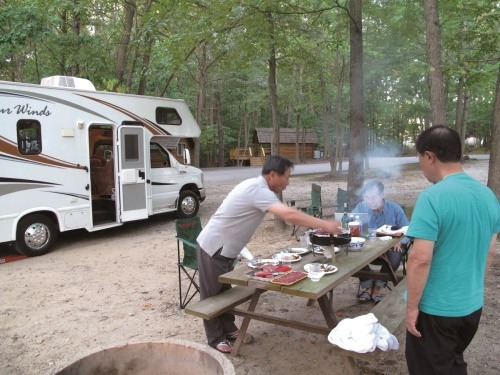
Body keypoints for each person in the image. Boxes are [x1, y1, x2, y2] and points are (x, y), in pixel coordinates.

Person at [196, 155, 342, 354]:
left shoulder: (259, 188)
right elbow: (288, 215)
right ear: (273, 175)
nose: (288, 183)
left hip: (226, 249)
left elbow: (289, 217)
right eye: (287, 177)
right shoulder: (257, 189)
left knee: (224, 291)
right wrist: (326, 224)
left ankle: (229, 330)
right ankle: (215, 338)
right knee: (212, 296)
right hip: (213, 247)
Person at [405, 125, 499, 374]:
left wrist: (412, 307)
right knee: (452, 361)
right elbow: (489, 252)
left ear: (429, 156)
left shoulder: (432, 197)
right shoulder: (488, 195)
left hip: (436, 309)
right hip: (471, 306)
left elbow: (420, 259)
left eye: (420, 159)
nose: (421, 165)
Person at [352, 180, 411, 303]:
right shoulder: (361, 207)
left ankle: (377, 288)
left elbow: (409, 230)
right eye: (367, 198)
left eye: (373, 198)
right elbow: (349, 224)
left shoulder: (395, 209)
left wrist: (400, 241)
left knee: (395, 255)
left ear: (383, 195)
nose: (370, 201)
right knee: (351, 255)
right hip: (369, 247)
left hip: (391, 248)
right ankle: (368, 286)